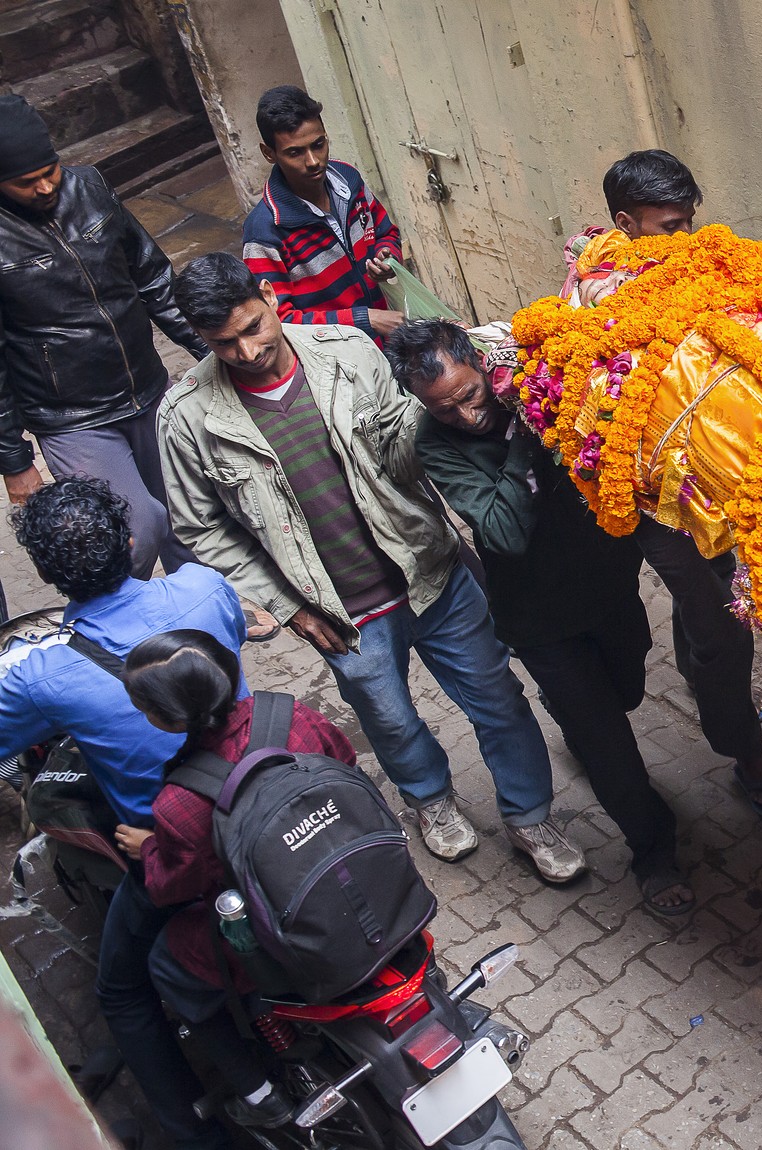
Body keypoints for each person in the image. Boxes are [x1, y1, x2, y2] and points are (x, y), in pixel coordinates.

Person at [159, 252, 584, 883]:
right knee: (391, 720)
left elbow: (411, 445)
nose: (248, 352)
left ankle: (529, 815)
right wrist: (289, 608)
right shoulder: (188, 418)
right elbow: (201, 528)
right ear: (201, 338)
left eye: (253, 327)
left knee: (500, 700)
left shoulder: (350, 352)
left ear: (270, 297)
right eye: (226, 343)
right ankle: (430, 803)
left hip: (431, 573)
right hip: (339, 613)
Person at [388, 319, 694, 915]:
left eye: (470, 396)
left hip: (608, 585)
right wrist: (527, 433)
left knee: (627, 688)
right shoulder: (436, 442)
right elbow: (502, 531)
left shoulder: (542, 380)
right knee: (605, 739)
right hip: (539, 618)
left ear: (480, 363)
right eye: (445, 409)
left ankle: (580, 715)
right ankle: (653, 849)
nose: (467, 417)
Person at [0, 477, 247, 1150]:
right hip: (257, 799)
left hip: (177, 851)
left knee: (123, 992)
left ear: (48, 574)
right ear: (133, 541)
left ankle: (196, 1134)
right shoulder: (202, 587)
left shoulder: (37, 672)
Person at [559, 150, 762, 815]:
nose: (685, 240)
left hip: (706, 477)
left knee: (708, 611)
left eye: (691, 223)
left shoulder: (681, 263)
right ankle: (743, 750)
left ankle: (714, 689)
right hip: (649, 497)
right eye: (670, 227)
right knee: (722, 622)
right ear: (627, 224)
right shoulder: (607, 290)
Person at [114, 630, 357, 1129]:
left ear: (169, 719)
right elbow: (348, 769)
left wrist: (150, 849)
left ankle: (258, 1092)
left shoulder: (181, 800)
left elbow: (170, 887)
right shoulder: (298, 717)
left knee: (166, 961)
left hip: (277, 930)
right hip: (348, 879)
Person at [0, 95, 210, 578]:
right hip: (74, 417)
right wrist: (15, 460)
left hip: (148, 386)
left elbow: (153, 278)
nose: (45, 186)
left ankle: (199, 610)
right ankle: (119, 633)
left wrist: (208, 349)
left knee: (191, 516)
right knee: (135, 529)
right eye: (25, 182)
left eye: (49, 170)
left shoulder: (89, 185)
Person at [241, 85, 404, 341]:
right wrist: (366, 319)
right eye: (295, 152)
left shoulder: (349, 181)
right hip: (338, 362)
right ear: (269, 153)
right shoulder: (265, 231)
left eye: (318, 145)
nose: (313, 161)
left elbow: (386, 232)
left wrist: (388, 258)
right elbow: (278, 319)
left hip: (390, 338)